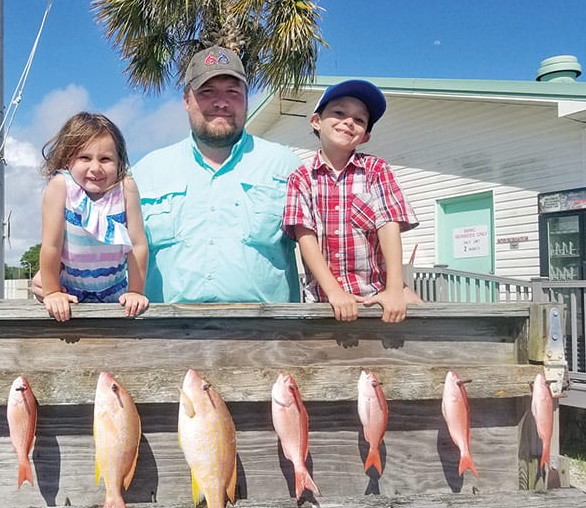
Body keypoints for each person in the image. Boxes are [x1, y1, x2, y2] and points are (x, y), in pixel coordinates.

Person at [132, 45, 302, 303]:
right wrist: (57, 277)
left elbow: (330, 242)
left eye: (233, 92)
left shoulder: (287, 166)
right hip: (165, 336)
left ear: (246, 99)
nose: (221, 102)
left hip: (269, 337)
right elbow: (107, 246)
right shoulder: (144, 172)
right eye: (207, 91)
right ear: (186, 101)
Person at [282, 79, 419, 323]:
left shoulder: (376, 170)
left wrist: (395, 289)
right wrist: (335, 292)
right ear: (316, 121)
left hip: (375, 297)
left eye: (359, 119)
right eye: (339, 112)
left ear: (365, 136)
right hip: (325, 302)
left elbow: (389, 225)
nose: (348, 121)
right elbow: (306, 238)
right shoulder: (300, 179)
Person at [35, 112, 149, 322]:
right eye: (84, 158)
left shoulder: (126, 188)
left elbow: (138, 244)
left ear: (119, 162)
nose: (95, 168)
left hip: (116, 293)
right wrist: (52, 292)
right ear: (68, 159)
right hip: (69, 293)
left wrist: (135, 291)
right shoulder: (61, 186)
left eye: (105, 159)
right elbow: (51, 246)